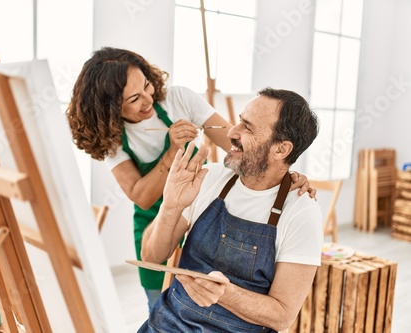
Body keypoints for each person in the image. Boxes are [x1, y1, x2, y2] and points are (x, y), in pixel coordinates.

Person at [66, 47, 315, 310]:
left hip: (201, 208)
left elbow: (237, 144)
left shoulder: (179, 99)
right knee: (160, 301)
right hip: (155, 217)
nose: (148, 100)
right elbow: (142, 195)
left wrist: (283, 172)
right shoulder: (112, 136)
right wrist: (172, 151)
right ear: (110, 107)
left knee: (206, 295)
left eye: (147, 86)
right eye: (134, 99)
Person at [138, 87, 323, 333]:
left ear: (281, 149)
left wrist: (225, 294)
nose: (232, 132)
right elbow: (151, 257)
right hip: (166, 325)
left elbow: (282, 316)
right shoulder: (209, 177)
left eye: (248, 127)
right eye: (239, 121)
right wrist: (171, 206)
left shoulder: (301, 212)